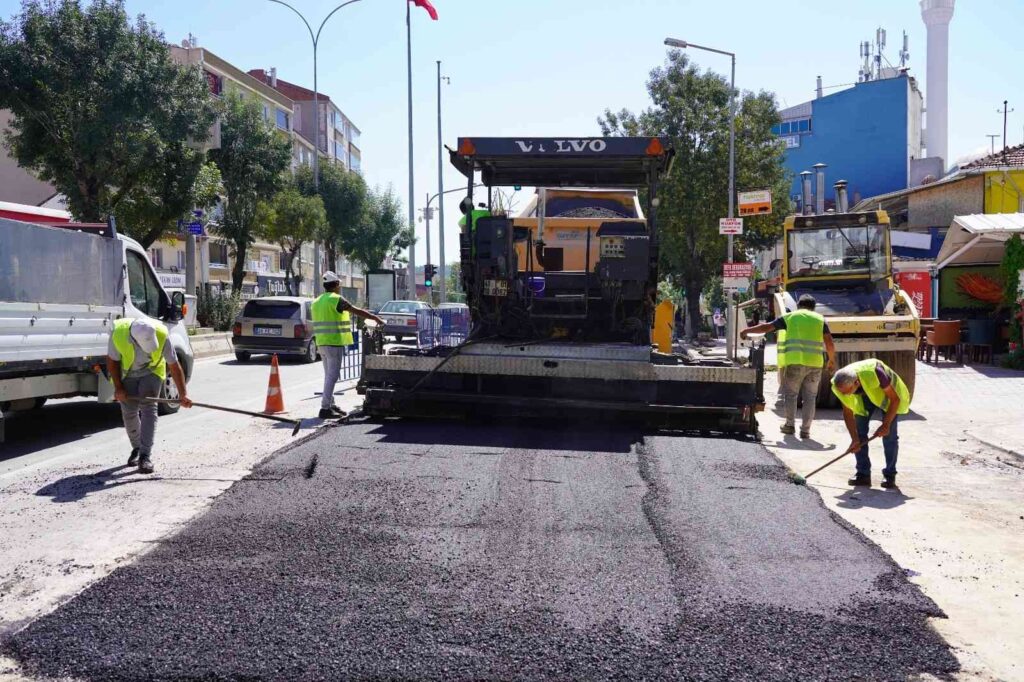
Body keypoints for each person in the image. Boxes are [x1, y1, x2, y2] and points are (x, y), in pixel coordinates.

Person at [740, 294, 836, 439]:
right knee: (810, 398)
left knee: (791, 395)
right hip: (815, 364)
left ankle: (789, 426)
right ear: (813, 307)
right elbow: (829, 341)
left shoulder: (791, 317)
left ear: (798, 305)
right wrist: (831, 360)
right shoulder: (820, 319)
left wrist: (747, 330)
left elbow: (767, 327)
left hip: (795, 362)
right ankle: (805, 431)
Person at [106, 318, 192, 474]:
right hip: (128, 373)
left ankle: (145, 456)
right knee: (129, 411)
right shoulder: (118, 334)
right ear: (134, 340)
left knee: (149, 408)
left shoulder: (161, 334)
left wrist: (183, 394)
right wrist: (119, 388)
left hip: (151, 372)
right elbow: (112, 362)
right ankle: (137, 448)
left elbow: (174, 365)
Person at [313, 272, 385, 419]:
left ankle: (330, 404)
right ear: (336, 285)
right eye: (339, 284)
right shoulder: (336, 299)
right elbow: (356, 311)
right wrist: (376, 318)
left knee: (328, 376)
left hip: (321, 342)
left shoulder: (317, 301)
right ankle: (325, 408)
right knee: (332, 376)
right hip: (334, 342)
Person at [831, 359, 911, 489]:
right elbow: (847, 413)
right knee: (859, 433)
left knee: (889, 436)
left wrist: (885, 424)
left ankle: (890, 476)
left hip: (888, 396)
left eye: (847, 391)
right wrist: (854, 439)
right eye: (843, 392)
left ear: (856, 383)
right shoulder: (839, 385)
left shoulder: (876, 373)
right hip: (863, 396)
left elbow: (895, 400)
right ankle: (863, 475)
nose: (844, 394)